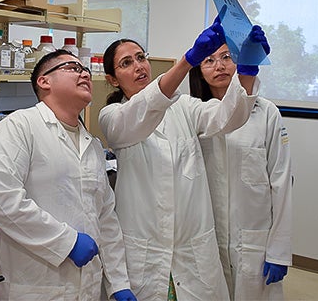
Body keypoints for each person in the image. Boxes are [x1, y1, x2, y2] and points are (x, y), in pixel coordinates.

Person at [98, 16, 269, 301]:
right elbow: (142, 113)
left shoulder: (184, 106)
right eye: (126, 63)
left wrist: (248, 71)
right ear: (112, 79)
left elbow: (226, 118)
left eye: (141, 57)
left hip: (193, 249)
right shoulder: (113, 117)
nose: (138, 65)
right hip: (145, 252)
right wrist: (187, 61)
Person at [0, 49, 135, 301]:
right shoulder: (19, 127)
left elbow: (105, 217)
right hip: (33, 285)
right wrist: (67, 242)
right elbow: (0, 197)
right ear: (44, 81)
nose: (83, 73)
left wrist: (118, 282)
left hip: (87, 287)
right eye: (73, 68)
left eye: (84, 69)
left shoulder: (92, 144)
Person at [189, 42, 292, 300]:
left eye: (226, 57)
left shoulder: (266, 112)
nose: (220, 66)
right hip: (208, 239)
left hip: (254, 241)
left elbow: (281, 182)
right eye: (209, 60)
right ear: (199, 71)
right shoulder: (193, 116)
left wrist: (278, 249)